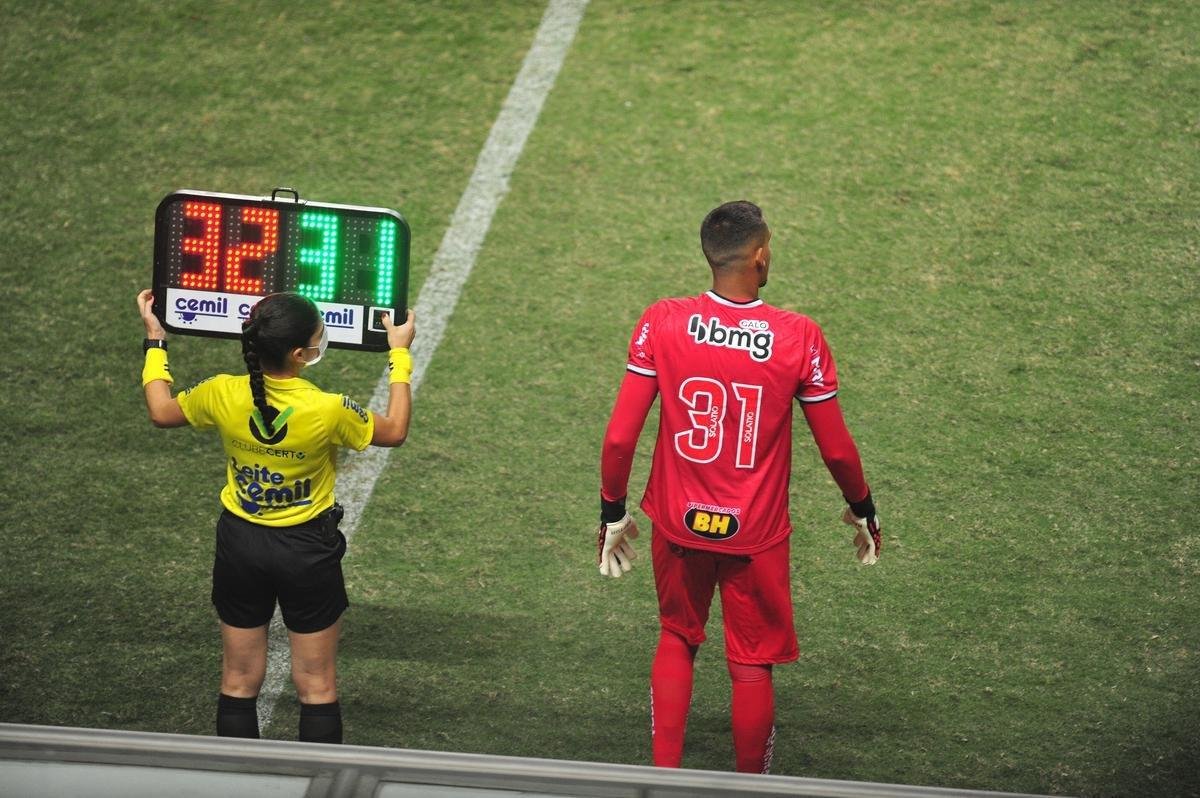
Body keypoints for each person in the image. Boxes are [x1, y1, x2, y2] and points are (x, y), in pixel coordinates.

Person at [596, 200, 883, 773]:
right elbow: (836, 448)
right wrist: (862, 508)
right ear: (758, 257)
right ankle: (752, 788)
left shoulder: (663, 320)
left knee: (678, 636)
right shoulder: (799, 336)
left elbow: (620, 440)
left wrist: (612, 511)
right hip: (755, 532)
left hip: (678, 520)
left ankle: (662, 779)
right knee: (751, 664)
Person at [137, 288, 415, 743]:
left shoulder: (221, 392)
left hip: (240, 545)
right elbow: (396, 430)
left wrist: (155, 340)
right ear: (299, 354)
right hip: (306, 550)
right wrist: (399, 354)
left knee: (238, 681)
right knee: (317, 685)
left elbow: (162, 411)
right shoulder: (326, 409)